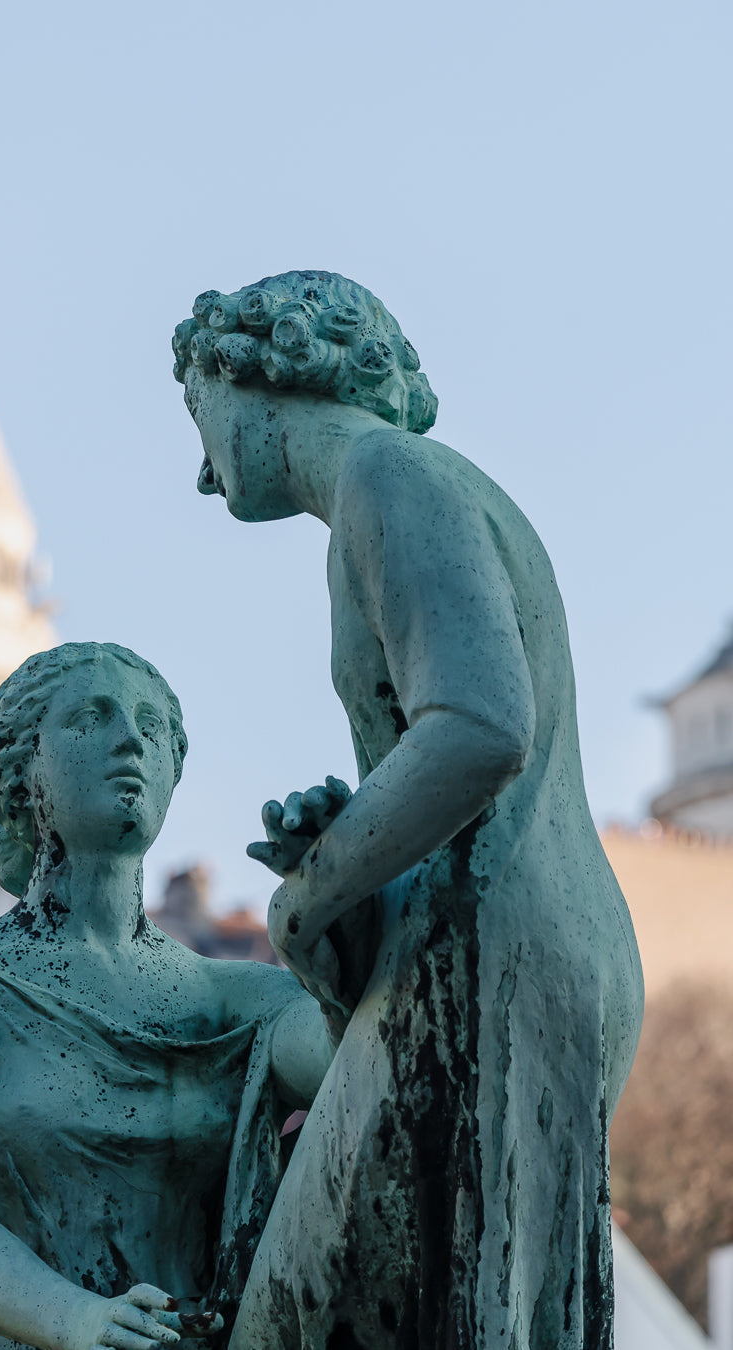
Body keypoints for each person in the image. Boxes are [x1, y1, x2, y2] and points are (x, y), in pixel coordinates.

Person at [173, 272, 645, 1350]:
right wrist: (355, 840)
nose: (201, 469)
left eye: (199, 412)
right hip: (513, 947)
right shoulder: (405, 494)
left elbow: (479, 726)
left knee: (305, 1319)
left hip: (495, 960)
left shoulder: (390, 476)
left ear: (259, 372)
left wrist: (313, 891)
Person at [0, 642, 331, 1350]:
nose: (129, 741)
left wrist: (339, 899)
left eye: (152, 727)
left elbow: (361, 1065)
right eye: (92, 716)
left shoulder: (242, 1003)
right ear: (23, 770)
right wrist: (74, 1317)